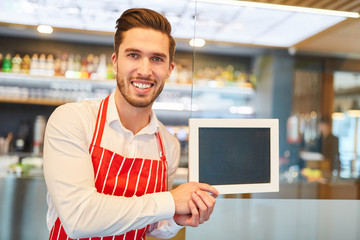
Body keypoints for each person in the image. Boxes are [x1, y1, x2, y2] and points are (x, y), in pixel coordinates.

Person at [43, 8, 219, 240]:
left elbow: (151, 224)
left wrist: (174, 220)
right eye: (133, 55)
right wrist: (171, 201)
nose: (145, 70)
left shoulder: (168, 145)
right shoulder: (73, 120)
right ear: (115, 62)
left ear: (169, 70)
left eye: (157, 59)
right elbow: (79, 218)